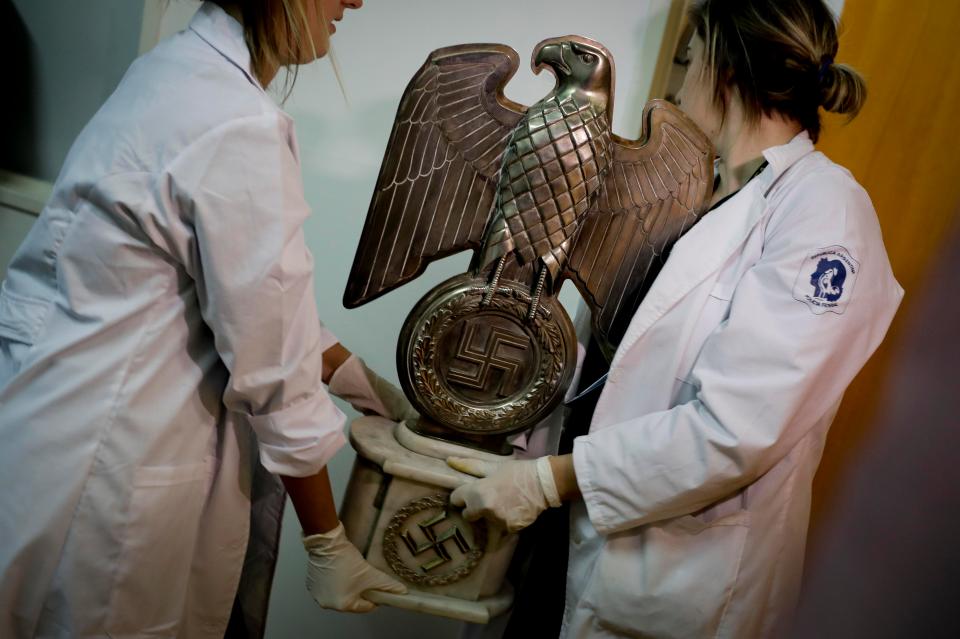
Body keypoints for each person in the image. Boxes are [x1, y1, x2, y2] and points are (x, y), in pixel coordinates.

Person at [447, 0, 904, 637]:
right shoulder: (703, 192)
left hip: (665, 567)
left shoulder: (825, 213)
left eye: (689, 57)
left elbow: (737, 429)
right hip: (562, 525)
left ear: (723, 64)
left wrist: (549, 481)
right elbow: (612, 364)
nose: (678, 80)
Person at [0, 1, 416, 637]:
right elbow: (271, 361)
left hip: (49, 432)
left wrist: (361, 381)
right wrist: (327, 540)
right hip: (112, 473)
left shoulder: (170, 72)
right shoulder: (236, 123)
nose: (356, 0)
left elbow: (240, 302)